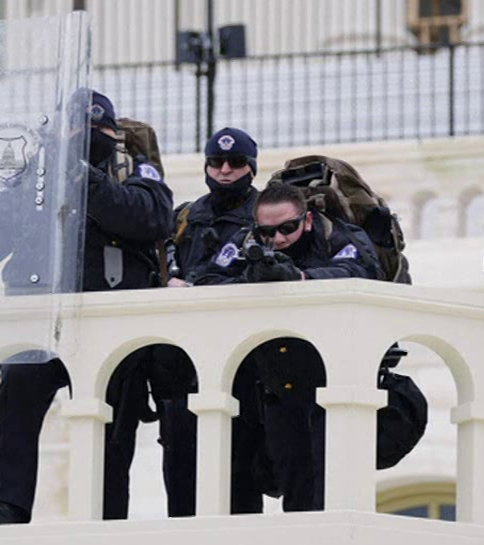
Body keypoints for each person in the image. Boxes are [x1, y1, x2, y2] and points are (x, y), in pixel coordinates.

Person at [0, 90, 173, 523]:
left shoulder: (132, 168)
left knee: (112, 433)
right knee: (14, 406)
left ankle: (103, 522)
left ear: (113, 133)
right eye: (75, 128)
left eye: (95, 129)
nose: (84, 136)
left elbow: (148, 217)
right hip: (43, 318)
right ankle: (8, 509)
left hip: (110, 320)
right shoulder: (36, 172)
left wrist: (81, 176)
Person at [197, 180, 383, 510]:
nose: (278, 239)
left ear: (307, 220)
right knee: (295, 486)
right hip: (277, 384)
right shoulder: (246, 241)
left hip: (332, 379)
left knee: (336, 487)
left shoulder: (335, 236)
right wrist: (248, 281)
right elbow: (207, 281)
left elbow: (363, 271)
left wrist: (301, 280)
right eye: (267, 232)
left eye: (288, 228)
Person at [154, 126, 273, 517]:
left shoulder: (267, 216)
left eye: (235, 163)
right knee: (181, 474)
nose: (225, 170)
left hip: (241, 364)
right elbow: (155, 263)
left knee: (239, 479)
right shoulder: (186, 216)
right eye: (216, 162)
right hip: (182, 363)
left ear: (251, 168)